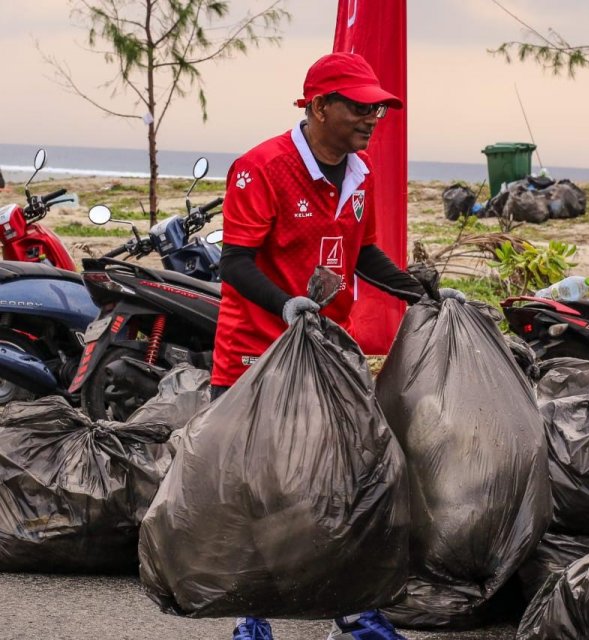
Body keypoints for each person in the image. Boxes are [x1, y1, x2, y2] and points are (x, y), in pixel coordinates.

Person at [213, 52, 449, 640]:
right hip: (259, 352)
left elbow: (360, 253)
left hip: (327, 349)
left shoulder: (359, 173)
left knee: (344, 478)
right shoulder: (261, 167)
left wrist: (411, 288)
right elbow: (235, 261)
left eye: (378, 108)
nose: (372, 117)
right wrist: (285, 304)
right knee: (262, 490)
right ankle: (251, 615)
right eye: (358, 105)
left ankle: (349, 608)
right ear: (318, 106)